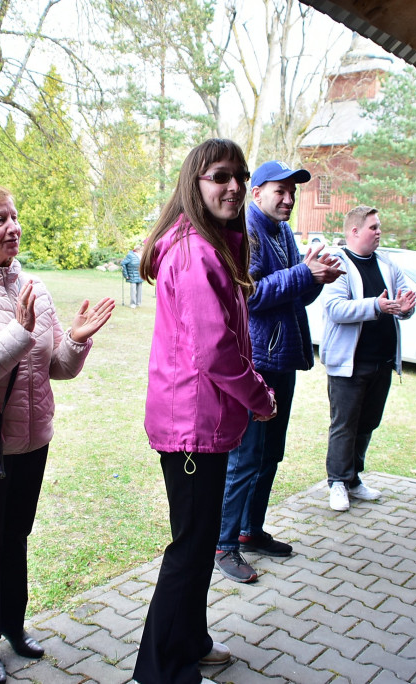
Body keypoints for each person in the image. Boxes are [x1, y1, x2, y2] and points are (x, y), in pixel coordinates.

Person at [0, 185, 115, 684]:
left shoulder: (32, 284)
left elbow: (56, 367)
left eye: (14, 217)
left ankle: (13, 626)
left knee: (16, 538)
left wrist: (75, 340)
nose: (12, 227)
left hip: (32, 439)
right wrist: (17, 330)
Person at [133, 139, 277, 684]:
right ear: (195, 183)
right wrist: (258, 396)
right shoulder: (195, 251)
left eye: (240, 176)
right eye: (221, 176)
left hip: (203, 420)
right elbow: (215, 349)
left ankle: (190, 643)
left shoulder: (214, 243)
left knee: (196, 545)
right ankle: (161, 671)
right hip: (192, 425)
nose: (235, 186)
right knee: (191, 549)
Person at [214, 160, 343, 584]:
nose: (288, 198)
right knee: (246, 457)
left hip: (282, 360)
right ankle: (224, 544)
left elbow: (291, 298)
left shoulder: (284, 232)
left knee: (270, 455)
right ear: (257, 194)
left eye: (293, 192)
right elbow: (249, 297)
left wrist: (316, 278)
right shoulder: (246, 233)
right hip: (257, 364)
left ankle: (251, 531)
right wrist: (302, 272)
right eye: (280, 191)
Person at [320, 206, 416, 512]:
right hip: (350, 363)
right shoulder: (338, 264)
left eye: (379, 227)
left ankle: (353, 479)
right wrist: (376, 305)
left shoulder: (388, 264)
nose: (378, 232)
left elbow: (403, 303)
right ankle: (336, 481)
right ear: (354, 232)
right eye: (373, 227)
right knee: (344, 424)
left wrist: (405, 307)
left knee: (367, 423)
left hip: (382, 361)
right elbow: (335, 309)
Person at [121, 242, 143, 308]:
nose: (142, 251)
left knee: (140, 290)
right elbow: (123, 263)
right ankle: (133, 303)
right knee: (133, 290)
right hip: (132, 275)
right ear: (138, 250)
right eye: (141, 250)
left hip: (140, 276)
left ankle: (138, 303)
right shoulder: (130, 255)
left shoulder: (141, 256)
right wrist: (125, 274)